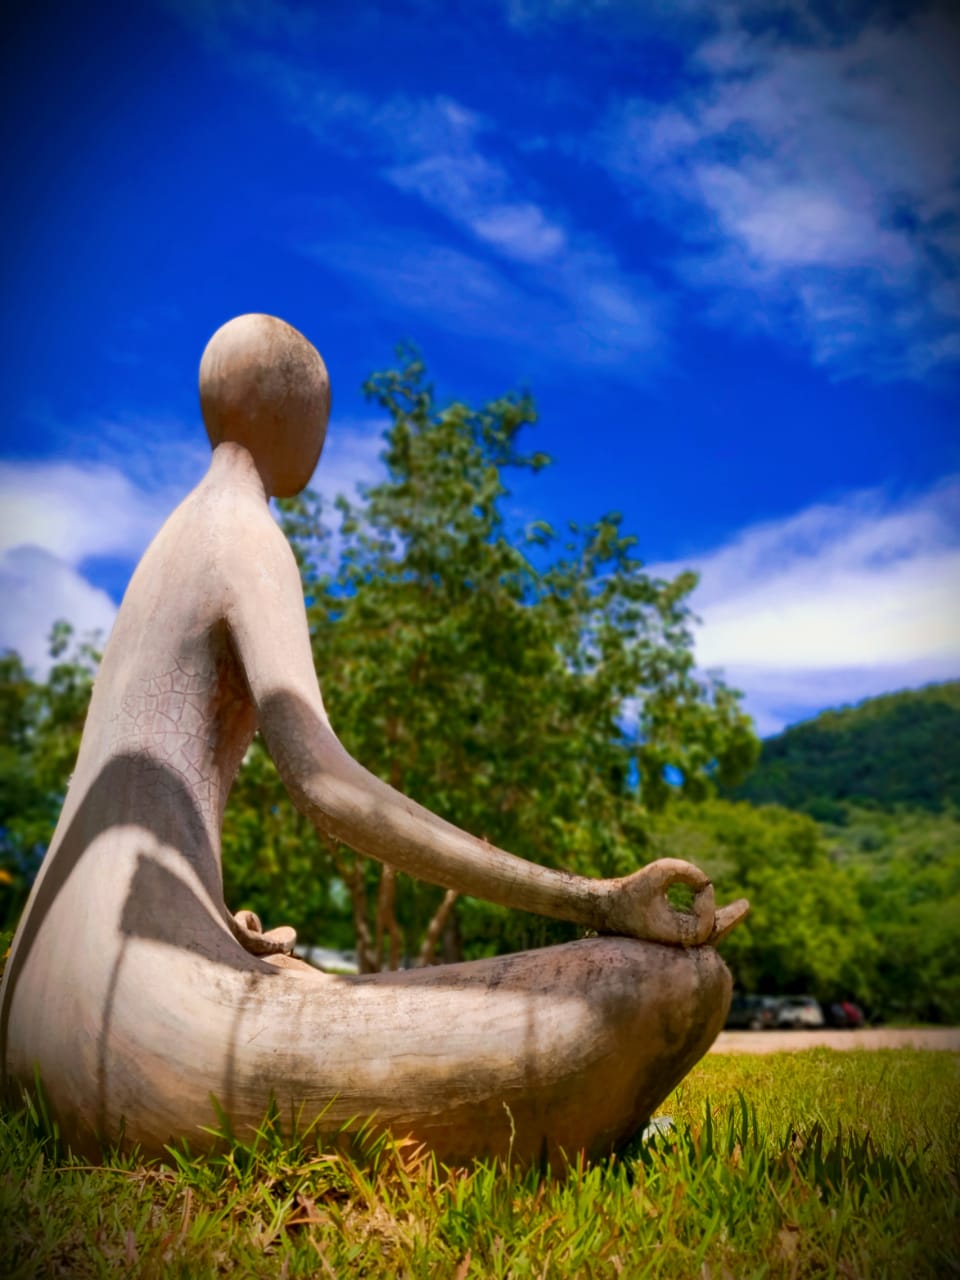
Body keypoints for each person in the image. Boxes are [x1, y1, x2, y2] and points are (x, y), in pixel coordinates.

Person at [0, 314, 748, 1165]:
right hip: (133, 1026)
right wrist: (594, 900)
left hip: (33, 1020)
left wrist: (211, 915)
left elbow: (135, 816)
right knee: (664, 986)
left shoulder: (163, 550)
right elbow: (329, 787)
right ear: (294, 413)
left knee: (300, 975)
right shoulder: (244, 537)